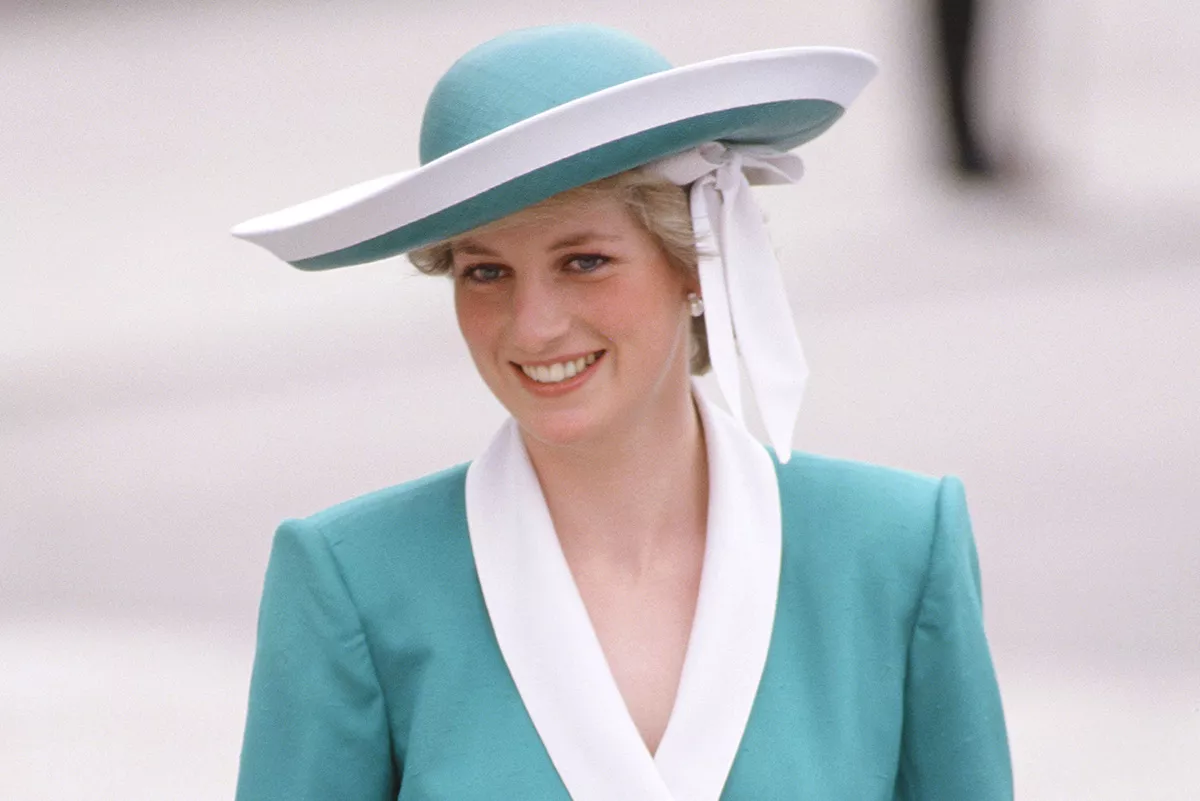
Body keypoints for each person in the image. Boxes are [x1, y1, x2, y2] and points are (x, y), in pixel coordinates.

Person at [230, 23, 1012, 801]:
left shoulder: (895, 549)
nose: (533, 324)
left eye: (584, 261)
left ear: (695, 263)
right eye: (486, 271)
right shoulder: (356, 581)